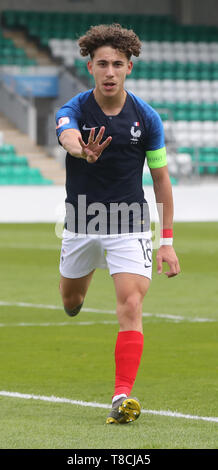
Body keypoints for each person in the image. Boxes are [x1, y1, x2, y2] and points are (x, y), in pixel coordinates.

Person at [55, 23, 180, 425]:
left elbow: (161, 179)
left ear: (129, 68)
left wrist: (166, 240)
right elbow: (68, 137)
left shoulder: (147, 118)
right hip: (81, 221)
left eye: (118, 64)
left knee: (131, 304)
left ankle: (122, 395)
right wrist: (81, 151)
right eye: (103, 64)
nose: (110, 72)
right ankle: (80, 288)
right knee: (71, 303)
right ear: (90, 66)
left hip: (129, 224)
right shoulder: (72, 109)